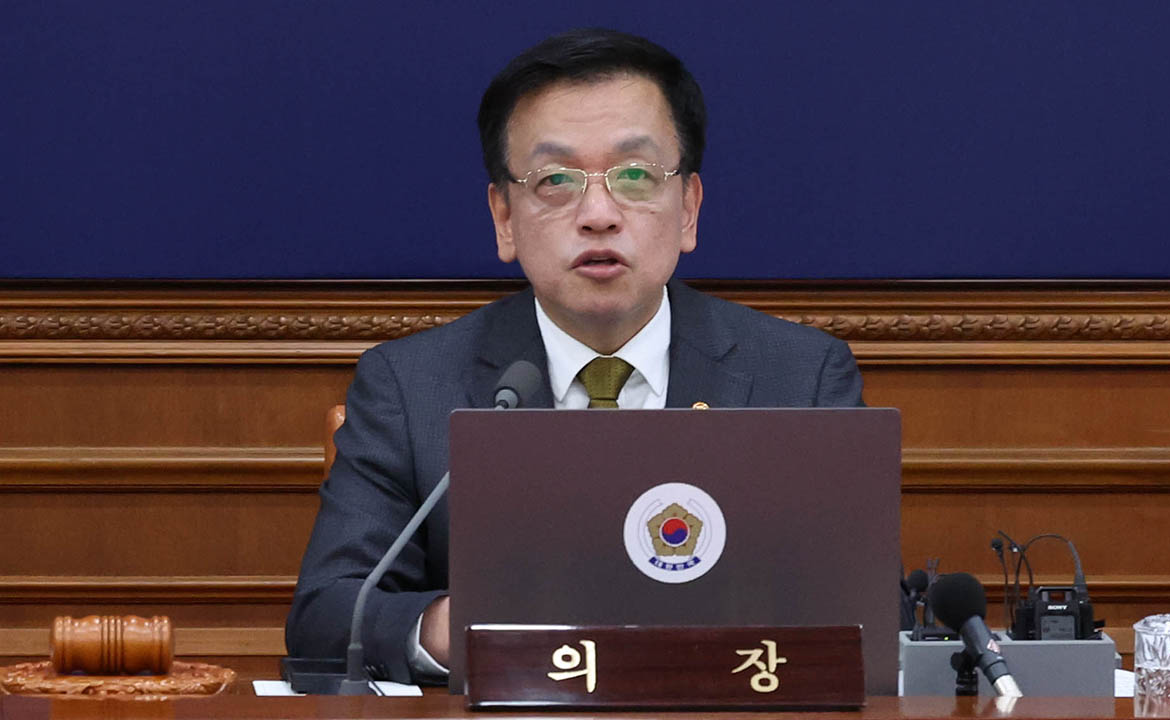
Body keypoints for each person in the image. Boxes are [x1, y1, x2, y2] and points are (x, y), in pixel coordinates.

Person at [285, 28, 864, 685]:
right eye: (555, 179)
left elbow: (871, 611)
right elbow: (327, 614)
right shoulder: (410, 385)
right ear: (504, 218)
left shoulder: (802, 377)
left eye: (635, 175)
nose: (598, 214)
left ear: (688, 209)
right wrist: (462, 625)